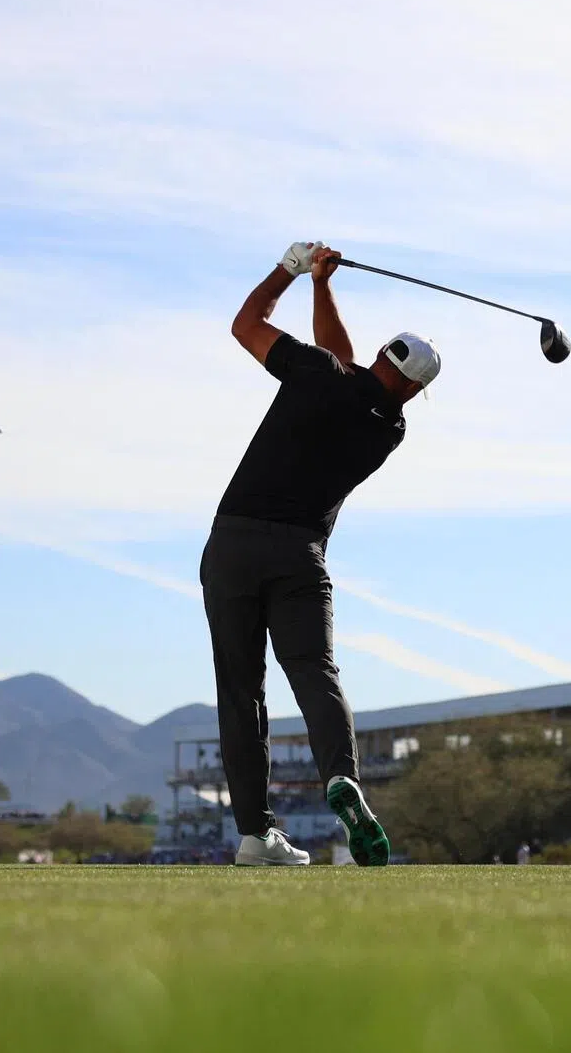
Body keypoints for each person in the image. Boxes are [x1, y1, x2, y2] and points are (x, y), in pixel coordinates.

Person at [201, 242, 441, 867]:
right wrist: (322, 286)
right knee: (315, 674)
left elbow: (246, 325)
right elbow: (343, 362)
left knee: (241, 691)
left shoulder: (317, 374)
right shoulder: (389, 427)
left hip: (232, 544)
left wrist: (291, 270)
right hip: (300, 556)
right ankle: (343, 777)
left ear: (381, 355)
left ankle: (256, 835)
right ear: (413, 391)